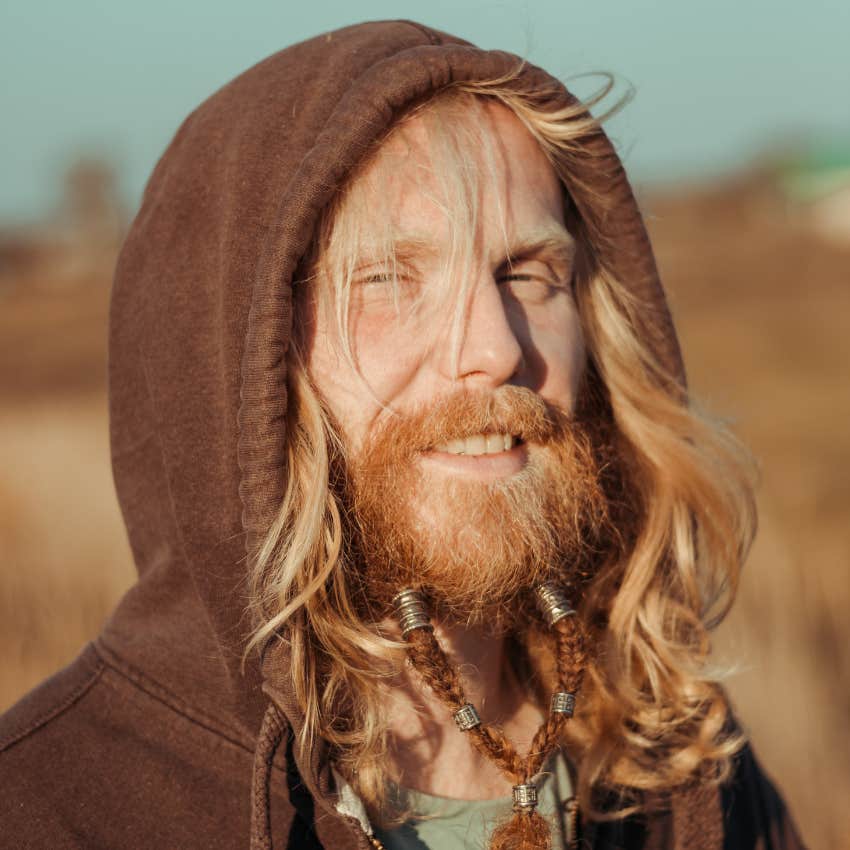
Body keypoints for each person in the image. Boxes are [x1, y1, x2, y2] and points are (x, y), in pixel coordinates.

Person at [0, 19, 805, 850]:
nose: (495, 350)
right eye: (389, 277)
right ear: (234, 361)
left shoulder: (683, 775)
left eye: (527, 273)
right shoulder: (50, 810)